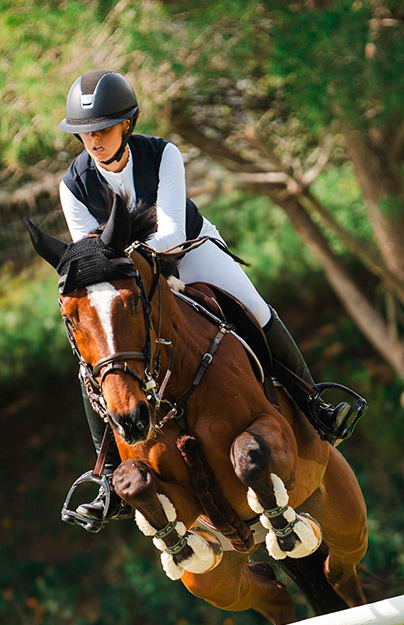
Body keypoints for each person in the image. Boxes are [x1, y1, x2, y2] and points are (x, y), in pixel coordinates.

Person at [58, 69, 348, 526]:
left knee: (252, 306)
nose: (92, 141)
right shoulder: (73, 185)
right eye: (84, 133)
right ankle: (107, 474)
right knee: (94, 360)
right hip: (129, 278)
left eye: (101, 130)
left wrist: (132, 259)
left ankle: (314, 405)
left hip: (188, 251)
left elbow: (171, 229)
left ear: (127, 125)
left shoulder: (163, 154)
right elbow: (90, 255)